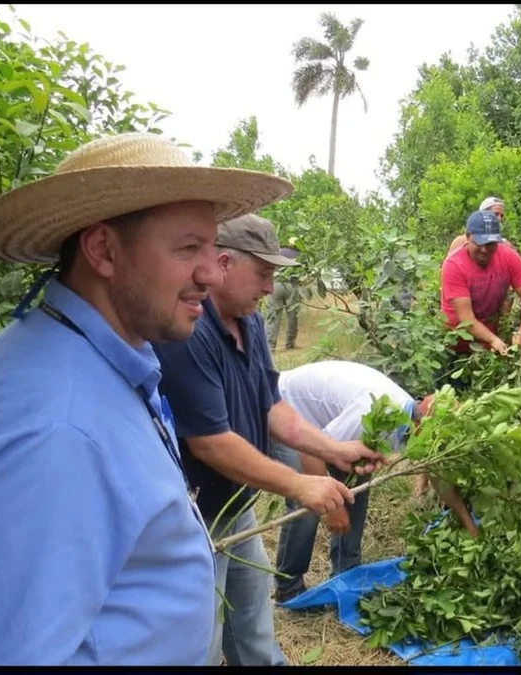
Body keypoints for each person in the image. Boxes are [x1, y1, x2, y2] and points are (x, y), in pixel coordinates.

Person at [0, 132, 293, 664]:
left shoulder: (99, 361)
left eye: (211, 247)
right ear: (103, 250)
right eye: (187, 248)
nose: (209, 272)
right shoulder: (58, 428)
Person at [152, 214, 385, 666]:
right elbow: (210, 442)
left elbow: (271, 407)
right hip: (199, 517)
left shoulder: (251, 323)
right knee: (204, 637)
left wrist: (334, 450)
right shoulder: (190, 332)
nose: (269, 287)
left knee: (253, 616)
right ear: (222, 263)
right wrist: (299, 484)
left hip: (237, 505)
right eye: (263, 273)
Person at [271, 360, 478, 603]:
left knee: (355, 486)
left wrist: (469, 526)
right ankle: (288, 587)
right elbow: (311, 453)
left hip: (327, 426)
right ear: (424, 424)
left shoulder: (413, 420)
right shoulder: (373, 414)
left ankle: (346, 573)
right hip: (282, 408)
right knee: (307, 502)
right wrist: (334, 509)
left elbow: (438, 476)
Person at [440, 209, 521, 361]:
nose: (484, 250)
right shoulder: (454, 266)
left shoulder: (508, 256)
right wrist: (493, 340)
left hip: (488, 336)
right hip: (454, 341)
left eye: (490, 243)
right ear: (467, 237)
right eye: (479, 243)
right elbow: (467, 320)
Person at [264, 246, 301, 350]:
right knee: (293, 316)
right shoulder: (298, 254)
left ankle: (270, 345)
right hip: (292, 286)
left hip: (276, 284)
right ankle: (290, 343)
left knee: (273, 315)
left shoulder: (277, 252)